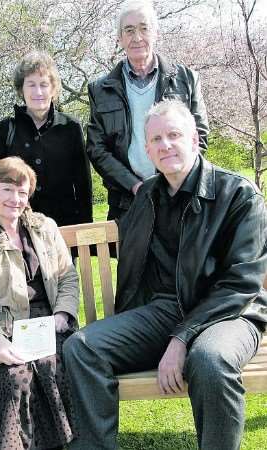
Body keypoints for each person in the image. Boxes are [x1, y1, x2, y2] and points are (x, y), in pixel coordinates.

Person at [64, 99, 267, 450]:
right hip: (165, 312)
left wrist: (181, 339)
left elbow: (242, 283)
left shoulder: (238, 195)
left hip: (230, 314)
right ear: (147, 150)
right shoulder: (147, 199)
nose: (165, 145)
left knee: (209, 360)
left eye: (174, 135)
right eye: (156, 139)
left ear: (194, 140)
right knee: (81, 348)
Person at [0, 156, 79, 449]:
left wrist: (63, 314)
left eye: (22, 192)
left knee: (54, 365)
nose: (16, 199)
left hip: (51, 323)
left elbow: (68, 278)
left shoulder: (45, 227)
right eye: (7, 190)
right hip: (8, 328)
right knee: (16, 377)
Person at [87, 0, 209, 221]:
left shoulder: (186, 80)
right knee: (133, 257)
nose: (137, 37)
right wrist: (135, 186)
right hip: (127, 203)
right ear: (120, 38)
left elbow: (199, 135)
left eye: (144, 28)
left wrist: (173, 179)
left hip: (180, 199)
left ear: (156, 33)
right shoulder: (100, 89)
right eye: (129, 30)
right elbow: (97, 149)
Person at [0, 50, 92, 227]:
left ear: (53, 89)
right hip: (17, 229)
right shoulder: (4, 130)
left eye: (44, 84)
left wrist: (85, 233)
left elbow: (83, 184)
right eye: (31, 85)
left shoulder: (70, 128)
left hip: (62, 229)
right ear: (21, 90)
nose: (38, 91)